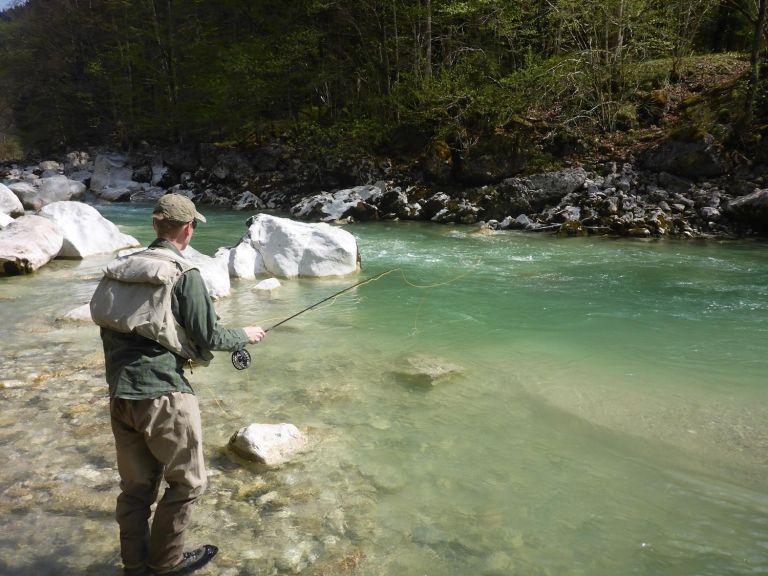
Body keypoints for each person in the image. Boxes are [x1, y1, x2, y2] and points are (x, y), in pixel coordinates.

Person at [90, 194, 266, 575]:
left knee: (136, 489)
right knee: (187, 484)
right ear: (188, 228)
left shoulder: (120, 269)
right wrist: (245, 334)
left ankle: (135, 565)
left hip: (121, 396)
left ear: (156, 226)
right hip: (163, 395)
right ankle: (166, 564)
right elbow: (208, 336)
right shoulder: (184, 275)